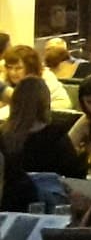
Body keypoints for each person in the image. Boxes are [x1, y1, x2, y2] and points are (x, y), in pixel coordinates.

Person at [0, 77, 82, 208]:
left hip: (8, 205)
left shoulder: (3, 136)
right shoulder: (56, 136)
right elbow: (76, 176)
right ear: (45, 102)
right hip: (47, 205)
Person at [3, 44, 70, 110]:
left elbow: (65, 104)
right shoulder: (6, 80)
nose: (12, 72)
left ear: (30, 67)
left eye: (18, 68)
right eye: (9, 68)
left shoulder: (45, 77)